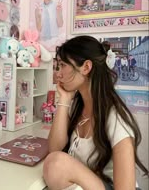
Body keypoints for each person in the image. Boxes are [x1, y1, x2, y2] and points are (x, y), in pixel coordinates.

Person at [43, 36, 148, 190]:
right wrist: (64, 100)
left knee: (56, 163)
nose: (58, 74)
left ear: (86, 67)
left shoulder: (115, 119)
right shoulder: (78, 105)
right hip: (90, 184)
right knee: (54, 162)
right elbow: (55, 148)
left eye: (63, 65)